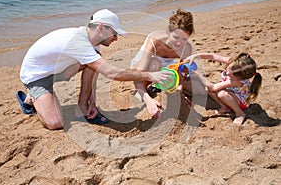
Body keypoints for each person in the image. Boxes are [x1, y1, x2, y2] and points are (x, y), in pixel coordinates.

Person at [16, 9, 172, 130]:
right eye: (114, 33)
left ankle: (83, 107)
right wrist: (151, 75)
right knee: (55, 123)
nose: (116, 38)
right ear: (102, 28)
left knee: (94, 62)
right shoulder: (78, 42)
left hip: (58, 70)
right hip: (36, 76)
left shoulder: (93, 42)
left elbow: (95, 72)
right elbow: (111, 73)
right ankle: (30, 99)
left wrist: (93, 103)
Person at [130, 9, 194, 119]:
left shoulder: (186, 49)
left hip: (167, 67)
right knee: (154, 64)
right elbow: (138, 75)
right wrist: (148, 101)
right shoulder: (155, 41)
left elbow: (181, 73)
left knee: (197, 89)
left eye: (184, 39)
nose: (179, 43)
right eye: (176, 37)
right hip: (145, 65)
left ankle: (158, 88)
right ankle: (144, 91)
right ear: (168, 32)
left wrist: (180, 90)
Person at [186, 52, 262, 125]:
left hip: (241, 102)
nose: (228, 73)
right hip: (231, 92)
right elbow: (213, 56)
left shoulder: (236, 82)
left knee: (221, 94)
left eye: (232, 75)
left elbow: (213, 88)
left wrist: (198, 76)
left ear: (240, 77)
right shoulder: (233, 62)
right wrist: (195, 56)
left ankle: (239, 113)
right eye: (229, 68)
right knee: (207, 88)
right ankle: (224, 107)